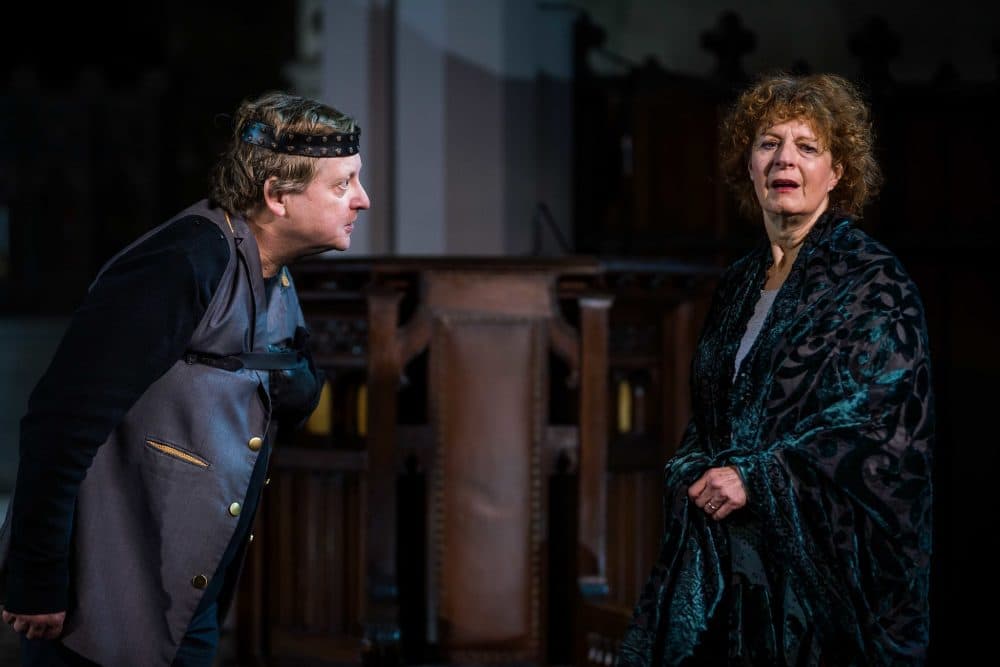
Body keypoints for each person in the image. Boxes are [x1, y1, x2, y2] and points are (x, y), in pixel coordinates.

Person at [0, 91, 370, 666]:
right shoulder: (182, 262)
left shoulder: (276, 272)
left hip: (181, 591)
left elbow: (290, 383)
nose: (362, 201)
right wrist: (35, 573)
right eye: (342, 184)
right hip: (104, 598)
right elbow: (58, 422)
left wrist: (292, 381)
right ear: (276, 196)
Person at [617, 73, 934, 666]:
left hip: (821, 590)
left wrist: (755, 478)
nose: (784, 159)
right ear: (750, 165)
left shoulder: (873, 283)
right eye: (768, 143)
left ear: (837, 174)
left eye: (807, 146)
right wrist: (694, 467)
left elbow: (880, 435)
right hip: (733, 571)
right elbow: (715, 413)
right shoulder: (740, 282)